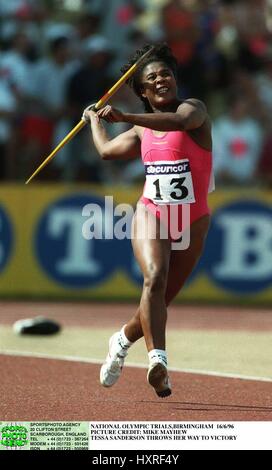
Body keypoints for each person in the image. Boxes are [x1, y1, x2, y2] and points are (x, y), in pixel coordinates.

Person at [83, 43, 214, 398]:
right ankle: (159, 362)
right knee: (154, 279)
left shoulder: (194, 110)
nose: (161, 80)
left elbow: (180, 122)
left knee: (161, 300)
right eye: (152, 77)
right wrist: (95, 122)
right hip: (151, 213)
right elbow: (107, 151)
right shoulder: (142, 132)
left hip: (193, 219)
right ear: (142, 90)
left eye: (166, 74)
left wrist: (125, 117)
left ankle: (121, 340)